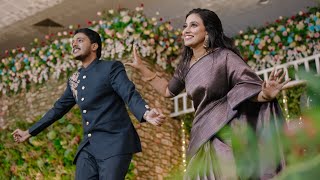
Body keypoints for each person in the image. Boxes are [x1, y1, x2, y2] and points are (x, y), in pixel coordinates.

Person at [126, 8, 289, 179]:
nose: (186, 30)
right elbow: (168, 91)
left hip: (226, 133)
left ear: (208, 31)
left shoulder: (224, 57)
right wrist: (143, 69)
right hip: (201, 133)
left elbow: (247, 87)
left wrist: (266, 94)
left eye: (193, 25)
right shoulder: (185, 66)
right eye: (185, 26)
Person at [12, 28, 165, 180]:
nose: (74, 45)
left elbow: (128, 92)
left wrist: (145, 112)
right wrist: (29, 132)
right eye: (73, 42)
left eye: (80, 40)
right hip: (88, 147)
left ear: (94, 46)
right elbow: (57, 109)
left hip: (115, 142)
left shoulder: (111, 67)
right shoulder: (74, 79)